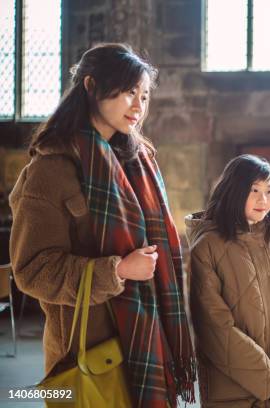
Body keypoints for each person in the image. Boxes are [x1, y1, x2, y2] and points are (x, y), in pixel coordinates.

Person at [9, 43, 197, 407]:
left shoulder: (140, 162)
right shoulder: (50, 169)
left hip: (148, 340)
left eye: (144, 95)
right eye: (129, 92)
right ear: (91, 87)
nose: (139, 105)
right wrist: (118, 270)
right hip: (87, 353)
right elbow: (31, 271)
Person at [186, 154, 270, 407]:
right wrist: (269, 382)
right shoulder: (207, 247)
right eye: (254, 190)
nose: (264, 199)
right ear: (233, 192)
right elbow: (214, 327)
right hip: (230, 390)